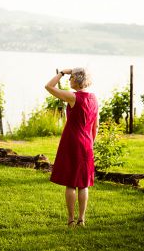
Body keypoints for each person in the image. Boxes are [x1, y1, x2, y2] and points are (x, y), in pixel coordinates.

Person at [45, 68, 99, 228]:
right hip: (87, 143)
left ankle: (70, 220)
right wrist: (91, 143)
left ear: (76, 80)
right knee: (83, 183)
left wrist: (62, 72)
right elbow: (96, 125)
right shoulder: (94, 98)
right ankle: (82, 219)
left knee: (70, 183)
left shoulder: (73, 96)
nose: (69, 80)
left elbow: (49, 86)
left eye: (71, 78)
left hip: (72, 141)